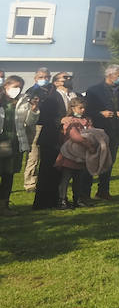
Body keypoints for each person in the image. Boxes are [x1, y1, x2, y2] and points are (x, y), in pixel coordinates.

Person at [55, 94, 109, 209]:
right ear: (73, 108)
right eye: (80, 108)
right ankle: (62, 199)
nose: (83, 110)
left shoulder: (87, 120)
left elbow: (92, 131)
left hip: (81, 155)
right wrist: (88, 144)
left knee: (79, 178)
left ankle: (78, 199)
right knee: (66, 178)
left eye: (84, 108)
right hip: (69, 154)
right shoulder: (69, 121)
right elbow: (74, 136)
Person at [85, 65, 119, 200]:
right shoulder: (94, 90)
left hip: (114, 130)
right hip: (99, 130)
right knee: (93, 161)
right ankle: (84, 193)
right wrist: (101, 114)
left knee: (109, 162)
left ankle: (103, 191)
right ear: (110, 75)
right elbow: (87, 111)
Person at [31, 73, 65, 209]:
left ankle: (56, 199)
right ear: (56, 82)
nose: (68, 80)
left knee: (59, 171)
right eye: (65, 78)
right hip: (50, 137)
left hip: (62, 138)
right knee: (46, 171)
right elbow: (44, 117)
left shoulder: (72, 96)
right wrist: (60, 121)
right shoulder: (51, 98)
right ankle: (42, 202)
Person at [0, 76, 27, 215]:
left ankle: (4, 206)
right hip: (1, 140)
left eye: (20, 87)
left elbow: (30, 121)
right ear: (6, 86)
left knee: (8, 175)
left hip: (15, 142)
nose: (18, 90)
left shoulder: (23, 101)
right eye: (15, 86)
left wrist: (34, 109)